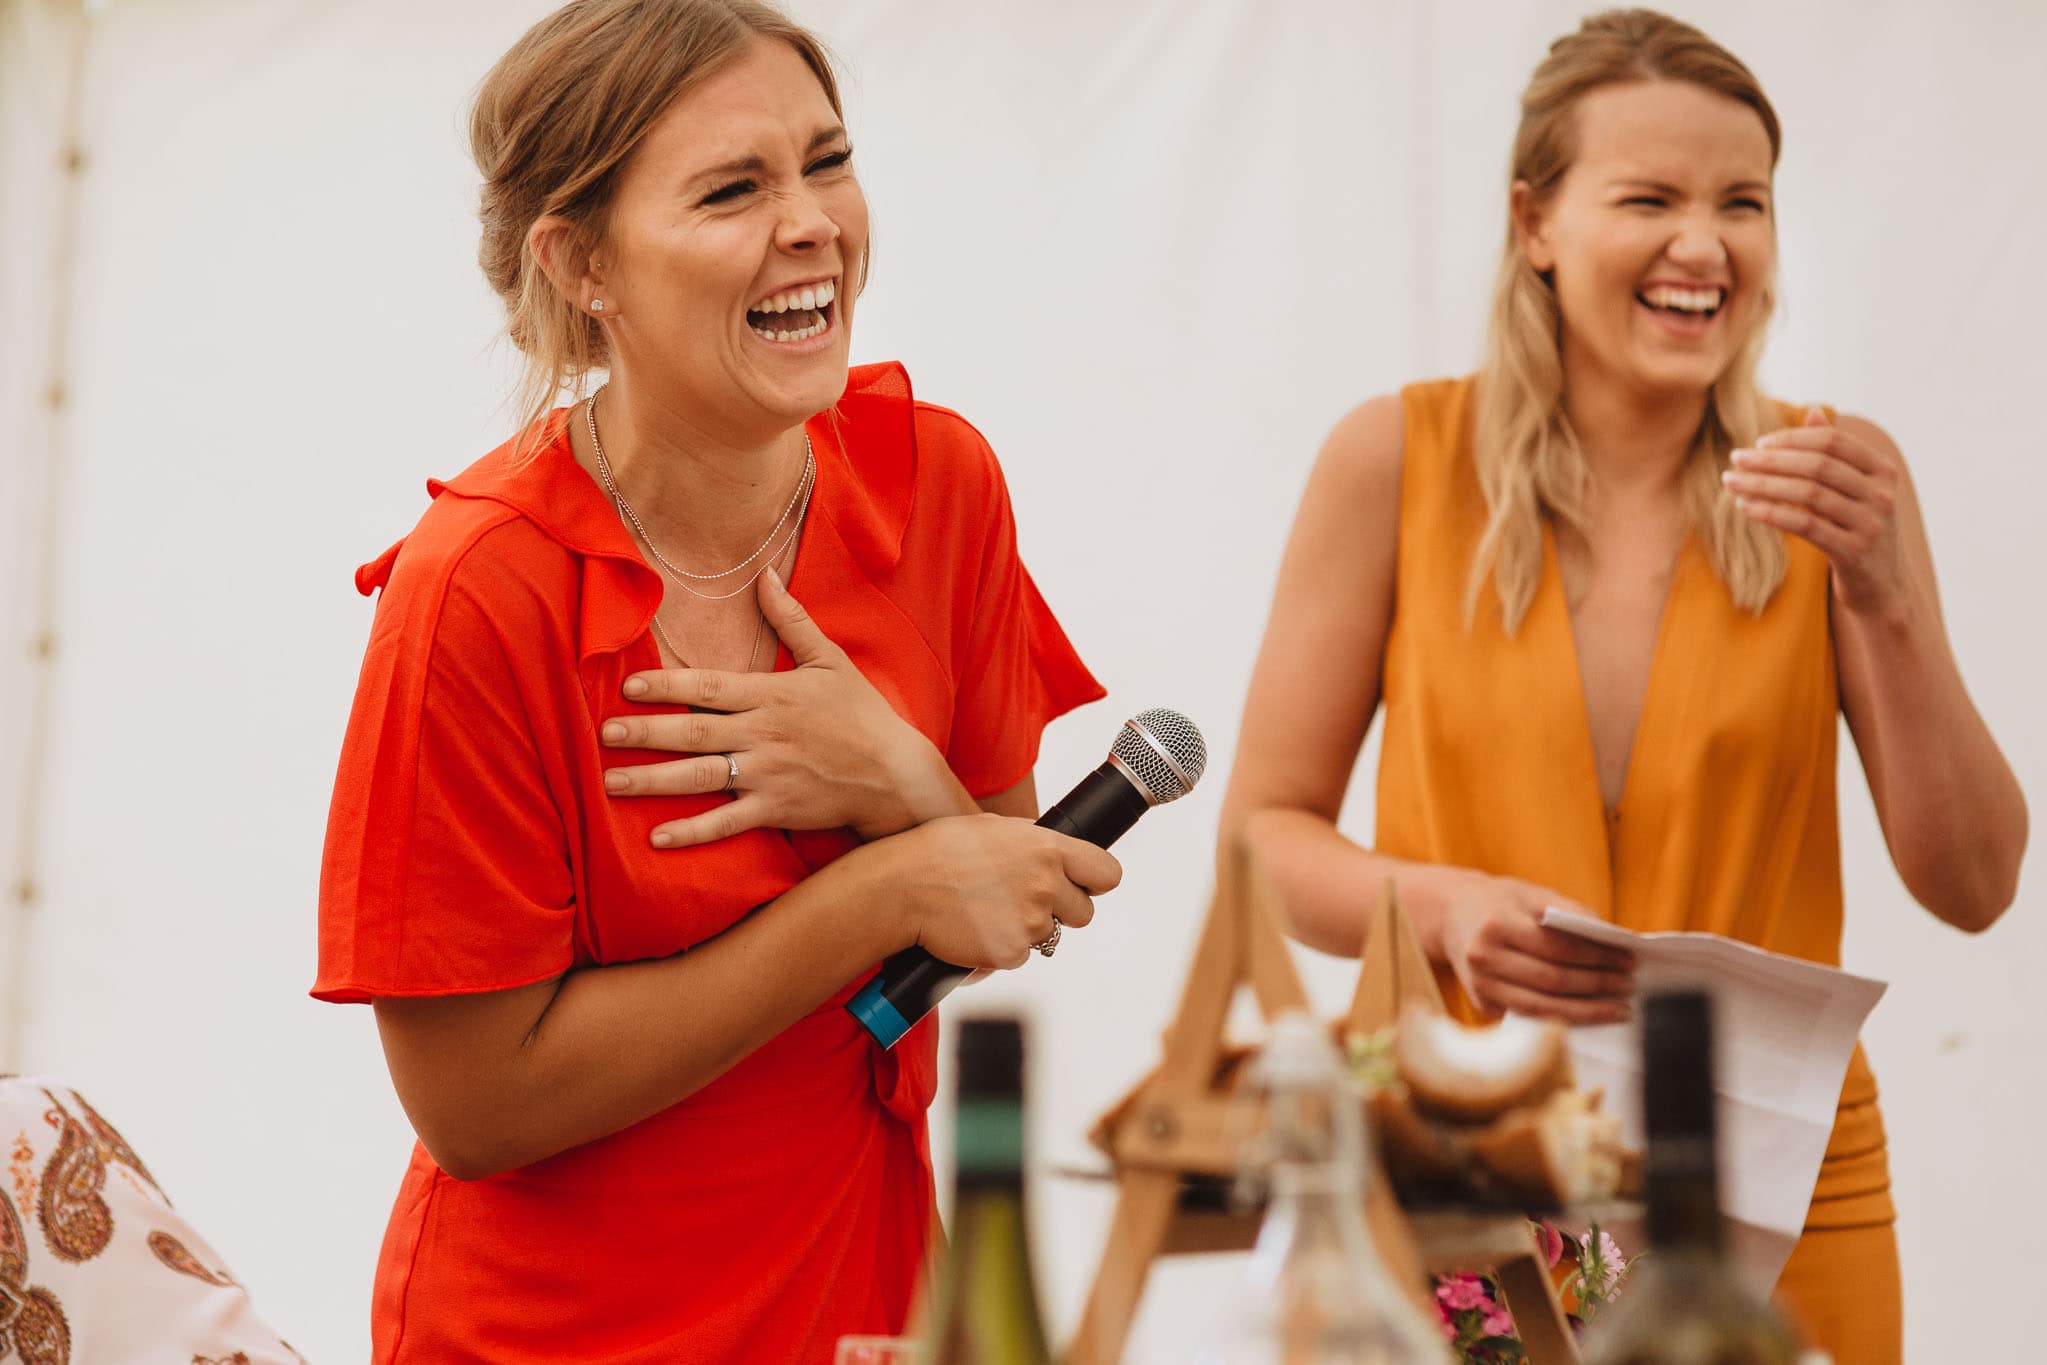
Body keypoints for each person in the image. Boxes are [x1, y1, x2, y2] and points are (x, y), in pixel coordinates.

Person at [313, 3, 1119, 1360]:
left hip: (858, 1289)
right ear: (584, 265)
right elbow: (473, 1104)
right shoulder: (478, 589)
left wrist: (899, 783)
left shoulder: (944, 486)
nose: (810, 222)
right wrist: (875, 886)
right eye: (734, 189)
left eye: (827, 161)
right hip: (562, 1331)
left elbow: (994, 883)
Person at [1219, 10, 2027, 1362]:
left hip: (1779, 1182)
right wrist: (1440, 906)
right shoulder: (1395, 462)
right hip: (1477, 1168)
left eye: (1742, 202)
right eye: (1648, 197)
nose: (1704, 246)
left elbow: (1976, 881)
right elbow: (1263, 835)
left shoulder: (1837, 480)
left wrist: (1888, 597)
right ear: (1535, 220)